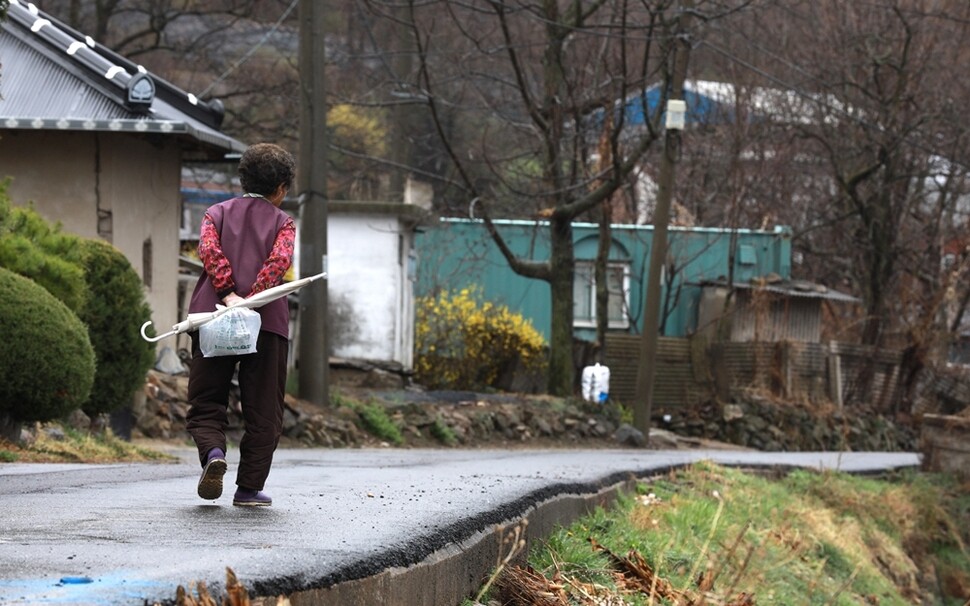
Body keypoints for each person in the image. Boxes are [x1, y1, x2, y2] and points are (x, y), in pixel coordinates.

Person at [186, 142, 296, 507]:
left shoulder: (214, 214)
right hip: (265, 322)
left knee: (206, 399)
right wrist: (251, 298)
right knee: (264, 408)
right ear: (281, 188)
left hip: (212, 316)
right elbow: (278, 263)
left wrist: (228, 294)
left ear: (242, 177)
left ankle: (214, 453)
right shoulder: (284, 223)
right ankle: (248, 488)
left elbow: (209, 252)